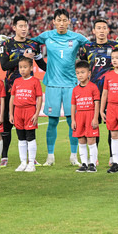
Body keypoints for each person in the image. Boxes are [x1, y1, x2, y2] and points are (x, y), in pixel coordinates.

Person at [32, 8, 89, 166]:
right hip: (52, 85)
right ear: (54, 22)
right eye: (59, 20)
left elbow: (92, 47)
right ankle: (50, 157)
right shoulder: (47, 35)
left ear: (69, 22)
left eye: (65, 20)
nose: (62, 23)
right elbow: (31, 42)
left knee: (73, 122)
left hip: (71, 85)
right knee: (52, 122)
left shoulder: (77, 37)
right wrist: (35, 55)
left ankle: (73, 156)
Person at [0, 14, 46, 167]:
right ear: (14, 27)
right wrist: (22, 58)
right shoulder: (7, 44)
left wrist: (57, 69)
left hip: (29, 91)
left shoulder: (33, 45)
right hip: (11, 88)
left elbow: (42, 65)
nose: (24, 29)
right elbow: (4, 66)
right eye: (20, 26)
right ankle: (4, 155)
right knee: (7, 122)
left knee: (29, 124)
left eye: (26, 26)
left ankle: (30, 158)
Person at [78, 19, 118, 166]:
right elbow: (83, 65)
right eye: (99, 28)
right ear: (94, 31)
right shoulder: (87, 47)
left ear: (108, 30)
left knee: (112, 126)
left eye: (104, 28)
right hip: (93, 92)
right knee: (93, 126)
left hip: (111, 91)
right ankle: (93, 158)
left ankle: (112, 157)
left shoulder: (115, 46)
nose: (102, 31)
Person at [9, 57, 43, 173]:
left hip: (29, 111)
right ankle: (23, 162)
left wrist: (36, 113)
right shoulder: (17, 81)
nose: (22, 70)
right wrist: (11, 113)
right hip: (18, 111)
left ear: (31, 68)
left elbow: (39, 98)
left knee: (30, 137)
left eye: (25, 67)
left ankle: (31, 163)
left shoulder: (35, 81)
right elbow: (12, 98)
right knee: (21, 138)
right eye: (20, 67)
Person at [71, 61, 101, 173]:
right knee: (81, 140)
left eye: (82, 72)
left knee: (91, 140)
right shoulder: (75, 90)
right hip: (79, 116)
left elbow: (96, 103)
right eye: (78, 73)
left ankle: (92, 164)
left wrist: (95, 118)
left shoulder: (93, 87)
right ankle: (84, 163)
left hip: (90, 115)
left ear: (89, 73)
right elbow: (73, 105)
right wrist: (73, 120)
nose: (80, 75)